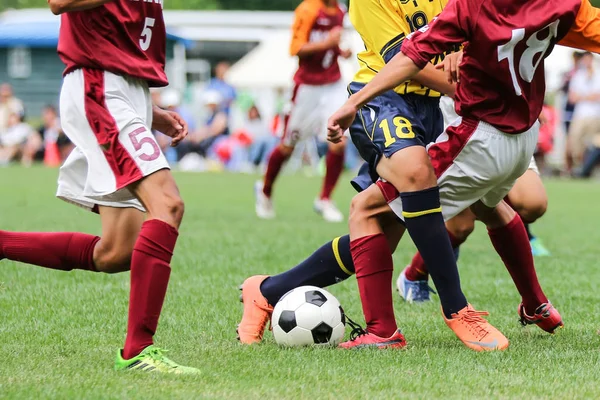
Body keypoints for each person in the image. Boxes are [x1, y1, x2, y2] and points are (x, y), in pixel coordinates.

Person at [241, 0, 509, 352]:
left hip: (431, 111)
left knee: (378, 231)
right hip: (382, 98)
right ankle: (458, 309)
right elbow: (407, 61)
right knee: (416, 173)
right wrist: (469, 93)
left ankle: (267, 292)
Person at [0, 0, 198, 374]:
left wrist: (151, 111)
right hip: (99, 88)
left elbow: (118, 37)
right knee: (168, 204)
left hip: (123, 90)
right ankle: (138, 351)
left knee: (116, 253)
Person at [254, 0, 352, 222]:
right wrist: (328, 43)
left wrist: (340, 51)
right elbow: (296, 49)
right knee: (288, 146)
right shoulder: (307, 9)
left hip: (333, 83)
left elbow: (331, 45)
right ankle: (265, 190)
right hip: (307, 87)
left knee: (339, 140)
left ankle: (325, 198)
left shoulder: (339, 9)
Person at [567, 52, 600, 170]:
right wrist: (589, 97)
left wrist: (581, 96)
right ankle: (580, 167)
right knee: (575, 140)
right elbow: (572, 98)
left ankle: (588, 168)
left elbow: (597, 96)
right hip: (580, 114)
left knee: (592, 144)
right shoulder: (578, 76)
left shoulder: (598, 74)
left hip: (595, 115)